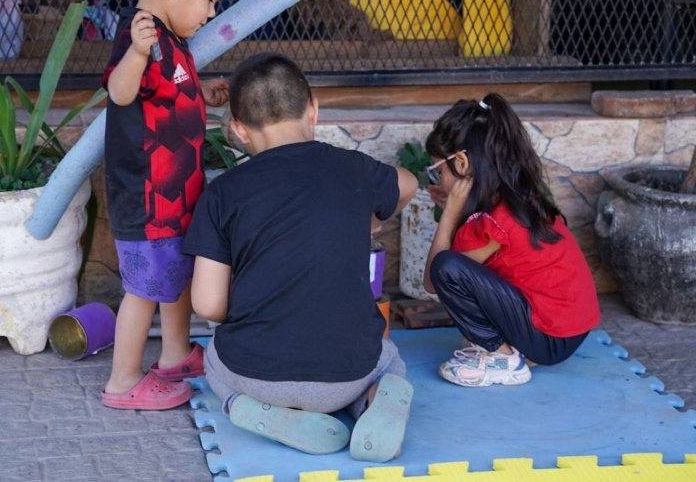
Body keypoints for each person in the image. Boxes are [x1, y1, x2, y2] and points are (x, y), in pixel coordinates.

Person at [181, 53, 418, 462]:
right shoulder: (354, 170)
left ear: (238, 130)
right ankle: (370, 404)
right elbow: (409, 183)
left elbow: (208, 305)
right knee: (389, 362)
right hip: (348, 374)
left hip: (254, 375)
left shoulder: (222, 193)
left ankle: (253, 411)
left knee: (214, 362)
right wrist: (367, 213)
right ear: (313, 110)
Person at [99, 0, 240, 410]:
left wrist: (205, 90)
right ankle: (122, 382)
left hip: (176, 192)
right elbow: (121, 92)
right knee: (144, 286)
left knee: (173, 274)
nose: (210, 12)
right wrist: (136, 54)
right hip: (148, 195)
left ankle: (176, 353)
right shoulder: (140, 33)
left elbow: (168, 88)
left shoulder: (172, 37)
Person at [422, 93, 600, 388]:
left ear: (462, 163)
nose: (438, 181)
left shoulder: (488, 224)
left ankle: (502, 359)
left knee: (446, 267)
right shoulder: (517, 200)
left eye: (438, 170)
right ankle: (513, 349)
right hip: (571, 329)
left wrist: (449, 215)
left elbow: (435, 279)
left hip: (551, 337)